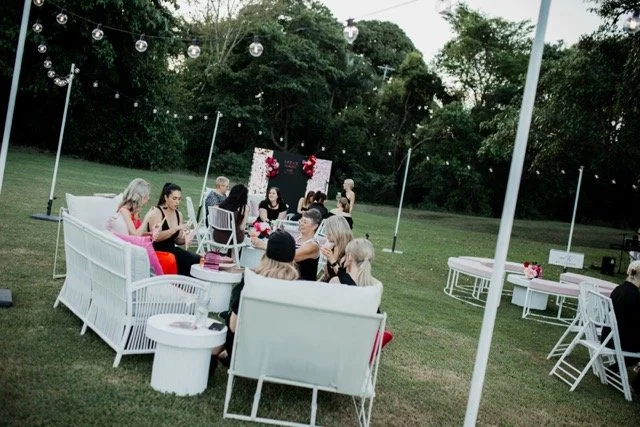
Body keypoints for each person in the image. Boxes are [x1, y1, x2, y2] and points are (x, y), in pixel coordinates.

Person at [211, 230, 299, 373]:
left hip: (244, 353)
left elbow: (233, 327)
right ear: (292, 256)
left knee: (226, 322)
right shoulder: (298, 289)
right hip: (280, 355)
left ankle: (215, 355)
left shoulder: (251, 282)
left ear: (266, 253)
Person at [601, 260, 640, 392]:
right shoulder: (635, 296)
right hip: (618, 340)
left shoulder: (619, 289)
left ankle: (613, 369)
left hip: (608, 335)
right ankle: (636, 386)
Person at [250, 209, 321, 281]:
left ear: (314, 226)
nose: (301, 223)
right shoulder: (296, 240)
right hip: (289, 278)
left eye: (305, 222)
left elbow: (289, 256)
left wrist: (264, 245)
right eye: (301, 220)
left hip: (303, 283)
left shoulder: (313, 246)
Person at [147, 183, 201, 276]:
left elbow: (177, 240)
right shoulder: (157, 212)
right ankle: (180, 283)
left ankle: (188, 284)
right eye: (174, 198)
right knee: (188, 260)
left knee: (198, 258)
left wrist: (186, 239)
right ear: (166, 197)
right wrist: (174, 228)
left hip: (172, 249)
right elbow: (156, 237)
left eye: (179, 199)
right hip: (158, 249)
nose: (177, 202)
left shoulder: (178, 214)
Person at [319, 215, 353, 282]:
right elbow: (327, 275)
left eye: (328, 230)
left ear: (336, 231)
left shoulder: (350, 251)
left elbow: (348, 280)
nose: (326, 233)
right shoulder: (333, 247)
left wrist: (332, 260)